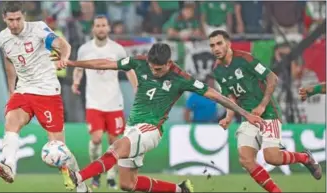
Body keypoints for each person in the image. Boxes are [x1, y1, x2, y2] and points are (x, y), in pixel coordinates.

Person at [53, 43, 265, 192]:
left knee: (115, 148)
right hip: (132, 128)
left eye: (159, 69)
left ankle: (78, 177)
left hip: (150, 129)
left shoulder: (181, 78)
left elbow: (215, 95)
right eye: (152, 68)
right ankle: (179, 190)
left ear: (169, 62)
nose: (154, 72)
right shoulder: (140, 62)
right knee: (128, 184)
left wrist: (246, 114)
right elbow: (105, 64)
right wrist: (72, 63)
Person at [0, 2, 90, 192]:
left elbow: (62, 44)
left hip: (47, 92)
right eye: (10, 20)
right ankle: (9, 166)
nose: (15, 24)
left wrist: (64, 57)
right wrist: (12, 88)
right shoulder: (3, 38)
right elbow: (9, 60)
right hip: (24, 90)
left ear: (24, 16)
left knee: (58, 147)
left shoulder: (38, 29)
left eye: (18, 19)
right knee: (11, 121)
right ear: (4, 19)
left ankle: (80, 183)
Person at [210, 30, 322, 193]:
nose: (216, 48)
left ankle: (305, 158)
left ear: (228, 43)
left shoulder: (245, 59)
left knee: (272, 157)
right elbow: (230, 97)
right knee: (246, 160)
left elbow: (272, 78)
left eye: (219, 43)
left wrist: (262, 105)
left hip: (268, 111)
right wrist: (228, 117)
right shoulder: (217, 70)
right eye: (212, 45)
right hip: (247, 117)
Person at [72, 15, 137, 189]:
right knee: (96, 138)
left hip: (114, 103)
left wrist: (136, 88)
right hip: (94, 102)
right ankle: (96, 172)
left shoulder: (117, 50)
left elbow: (129, 70)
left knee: (114, 142)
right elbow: (78, 68)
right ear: (93, 28)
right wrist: (76, 82)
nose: (101, 28)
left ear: (108, 28)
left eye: (103, 25)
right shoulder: (85, 49)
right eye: (97, 25)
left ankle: (110, 176)